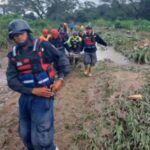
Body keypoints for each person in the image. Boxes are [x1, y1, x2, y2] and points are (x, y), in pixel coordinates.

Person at [6, 19, 71, 150]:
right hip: (26, 97)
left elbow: (63, 61)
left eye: (21, 33)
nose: (19, 37)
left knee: (42, 136)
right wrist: (32, 91)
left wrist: (60, 79)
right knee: (25, 134)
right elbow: (11, 80)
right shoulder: (13, 55)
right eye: (15, 35)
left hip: (43, 97)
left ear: (27, 32)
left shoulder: (43, 46)